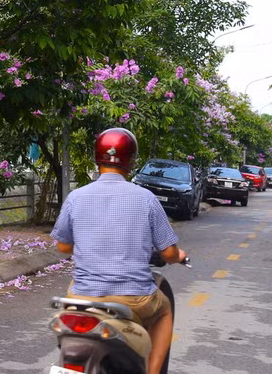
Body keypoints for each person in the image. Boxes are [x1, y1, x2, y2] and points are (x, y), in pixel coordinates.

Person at [50, 128, 187, 374]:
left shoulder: (76, 197)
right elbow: (168, 253)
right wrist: (179, 256)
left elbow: (63, 246)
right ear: (131, 161)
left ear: (97, 157)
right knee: (164, 309)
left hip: (83, 296)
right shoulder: (146, 198)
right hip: (133, 297)